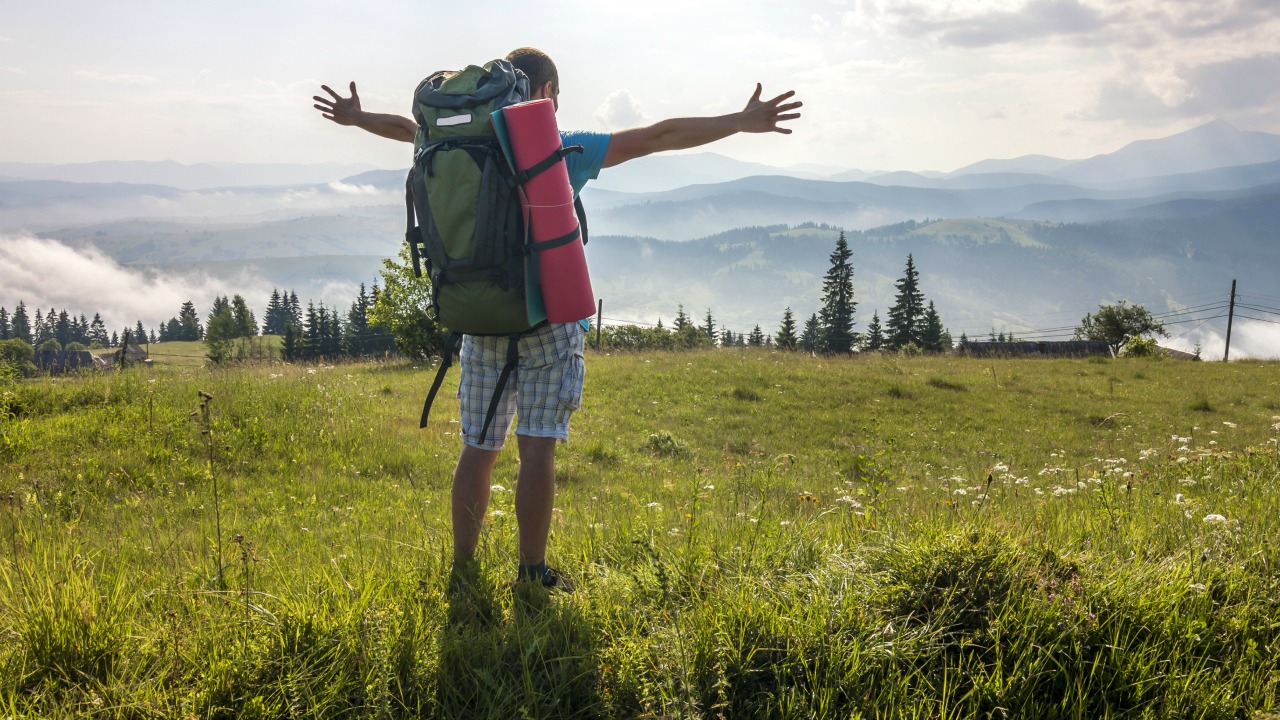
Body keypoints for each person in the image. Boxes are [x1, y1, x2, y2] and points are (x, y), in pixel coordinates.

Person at [314, 47, 801, 591]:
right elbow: (658, 136)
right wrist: (738, 122)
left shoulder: (459, 140)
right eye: (557, 97)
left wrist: (357, 119)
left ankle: (463, 569)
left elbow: (406, 128)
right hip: (547, 321)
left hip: (480, 317)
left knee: (478, 447)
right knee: (537, 446)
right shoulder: (560, 147)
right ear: (543, 94)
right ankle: (532, 571)